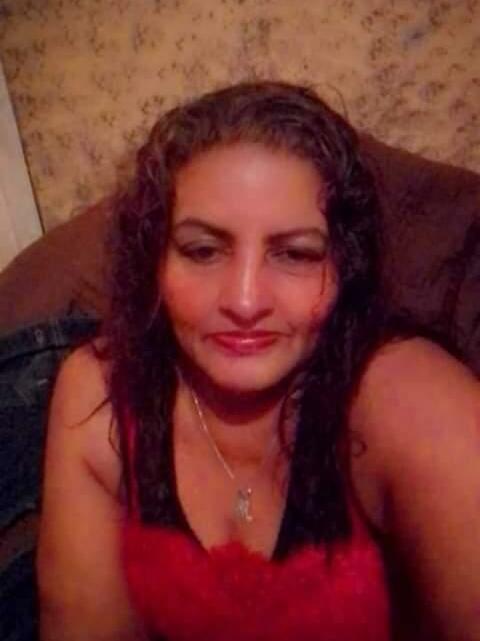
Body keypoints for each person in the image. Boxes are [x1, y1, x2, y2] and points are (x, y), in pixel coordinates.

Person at [36, 81, 480, 641]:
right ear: (154, 261)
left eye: (295, 254)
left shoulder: (409, 395)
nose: (245, 302)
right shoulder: (100, 388)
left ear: (345, 266)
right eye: (202, 250)